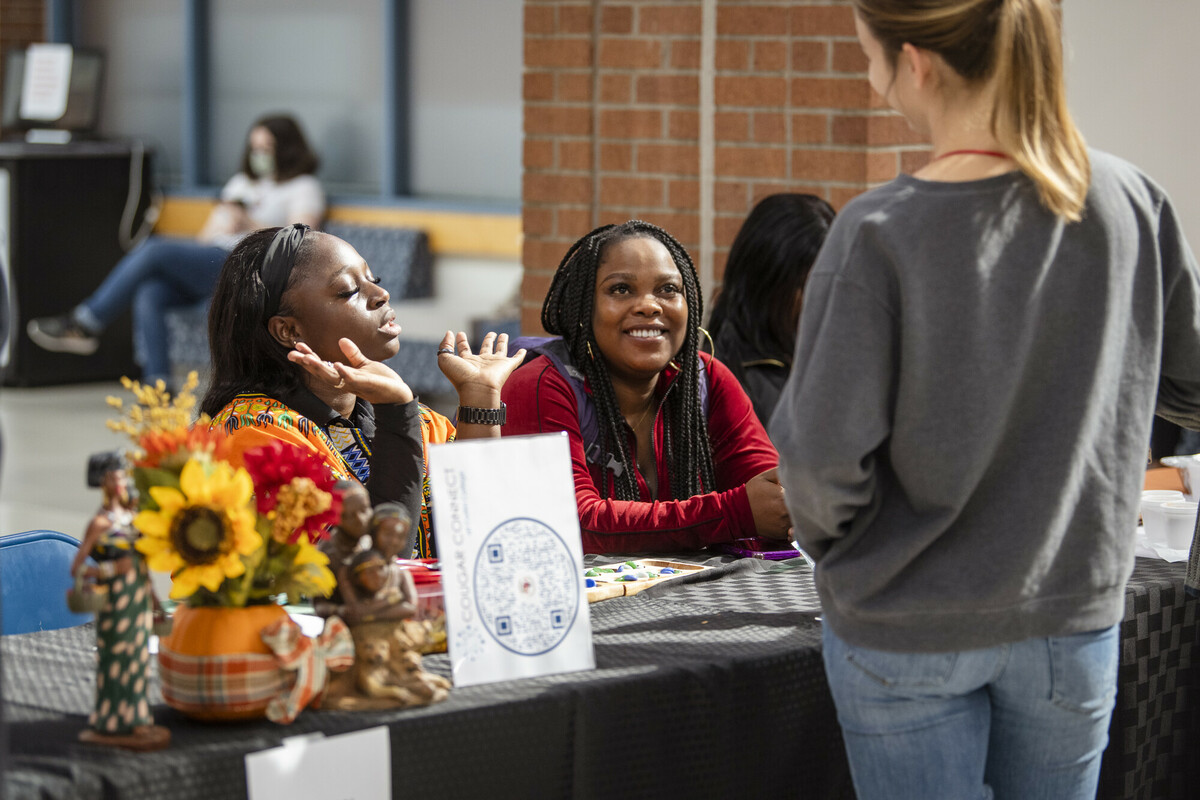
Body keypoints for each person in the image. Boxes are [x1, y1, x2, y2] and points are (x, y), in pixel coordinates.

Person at [769, 2, 1200, 798]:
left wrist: (849, 554)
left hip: (904, 619)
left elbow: (819, 461)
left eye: (871, 56)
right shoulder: (1133, 202)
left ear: (918, 63)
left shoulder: (875, 233)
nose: (873, 80)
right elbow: (1191, 388)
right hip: (1070, 612)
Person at [201, 224, 522, 560]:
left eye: (375, 279)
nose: (381, 294)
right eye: (349, 290)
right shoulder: (252, 435)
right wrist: (397, 412)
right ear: (289, 330)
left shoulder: (424, 424)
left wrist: (479, 399)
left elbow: (485, 538)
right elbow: (368, 574)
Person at [502, 220, 792, 554]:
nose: (649, 305)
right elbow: (566, 523)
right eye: (621, 289)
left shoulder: (707, 378)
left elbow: (770, 496)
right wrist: (732, 513)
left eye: (668, 289)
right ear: (583, 309)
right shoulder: (540, 385)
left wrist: (784, 507)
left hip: (690, 599)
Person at [27, 114, 325, 388]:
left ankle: (86, 322)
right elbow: (205, 238)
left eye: (267, 147)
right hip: (212, 260)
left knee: (155, 249)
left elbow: (299, 241)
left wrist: (247, 222)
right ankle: (160, 386)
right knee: (151, 290)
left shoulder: (303, 187)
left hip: (250, 268)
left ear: (286, 148)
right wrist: (226, 221)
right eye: (255, 147)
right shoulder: (241, 183)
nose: (260, 155)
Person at [705, 193, 835, 425]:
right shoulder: (725, 381)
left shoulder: (822, 355)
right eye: (807, 286)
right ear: (768, 282)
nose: (821, 301)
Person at [71, 452, 169, 750]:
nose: (122, 483)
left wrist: (154, 599)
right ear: (103, 483)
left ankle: (138, 719)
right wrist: (111, 569)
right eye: (115, 478)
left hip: (137, 596)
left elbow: (141, 564)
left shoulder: (133, 518)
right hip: (115, 600)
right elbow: (78, 568)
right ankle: (112, 721)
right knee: (116, 658)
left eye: (123, 476)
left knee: (138, 658)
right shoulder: (100, 524)